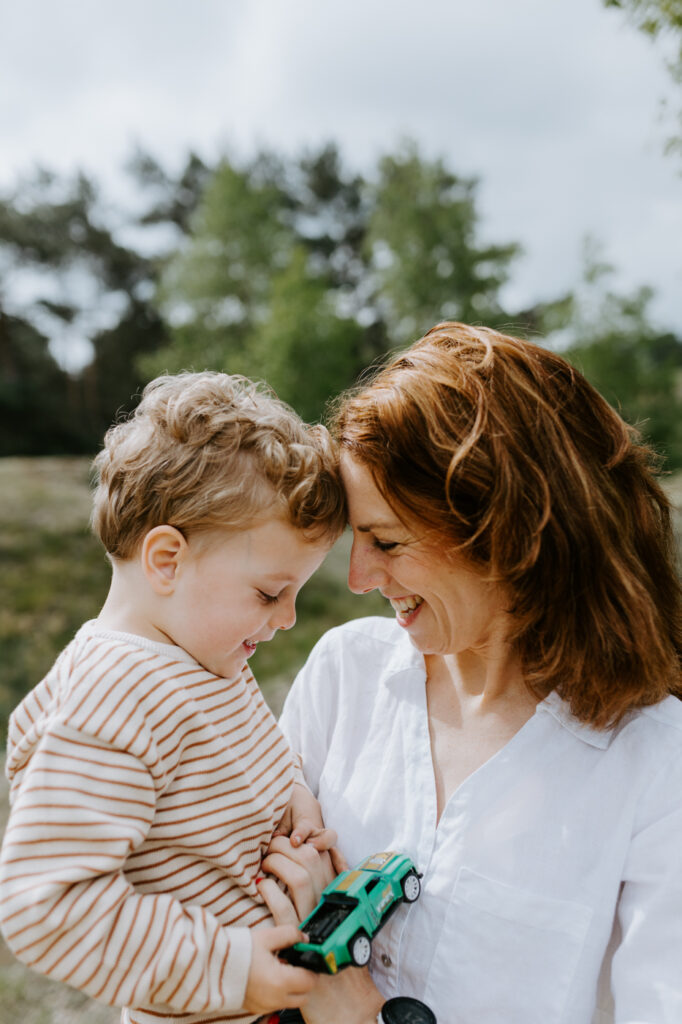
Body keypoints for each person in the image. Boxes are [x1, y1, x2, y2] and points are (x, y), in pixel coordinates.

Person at [260, 322, 682, 1024]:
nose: (359, 577)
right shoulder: (345, 674)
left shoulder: (656, 763)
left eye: (386, 541)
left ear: (506, 530)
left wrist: (351, 1006)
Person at [0, 371, 348, 1024]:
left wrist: (291, 793)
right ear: (166, 560)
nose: (289, 618)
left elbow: (232, 765)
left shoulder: (198, 652)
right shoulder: (117, 691)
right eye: (271, 593)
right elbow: (44, 905)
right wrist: (231, 967)